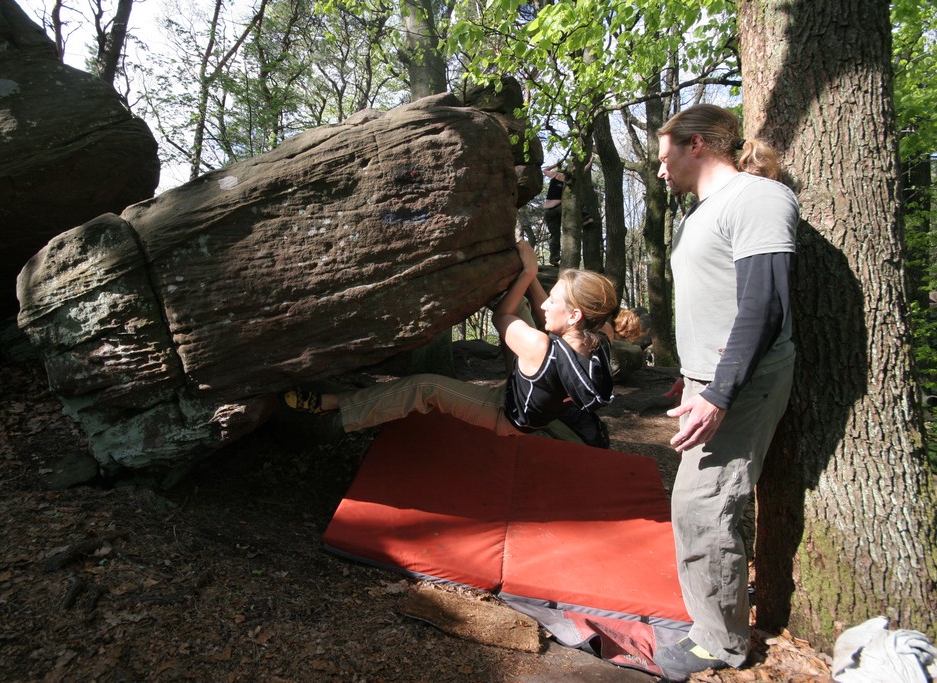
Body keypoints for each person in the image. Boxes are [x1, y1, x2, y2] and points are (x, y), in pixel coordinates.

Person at [652, 104, 799, 681]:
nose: (661, 172)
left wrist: (718, 394)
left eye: (665, 158)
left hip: (742, 382)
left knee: (704, 505)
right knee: (699, 502)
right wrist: (692, 376)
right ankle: (715, 624)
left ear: (696, 146)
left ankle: (721, 642)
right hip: (709, 377)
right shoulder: (702, 212)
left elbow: (764, 306)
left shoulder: (757, 199)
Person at [284, 240, 642, 449]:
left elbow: (502, 317)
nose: (546, 302)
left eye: (555, 299)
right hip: (539, 394)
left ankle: (337, 409)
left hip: (507, 414)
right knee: (526, 307)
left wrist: (529, 274)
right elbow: (542, 312)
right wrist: (532, 282)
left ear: (576, 315)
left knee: (425, 386)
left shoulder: (537, 345)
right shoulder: (601, 338)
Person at [541, 164, 566, 266]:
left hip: (548, 210)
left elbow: (545, 170)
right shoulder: (567, 178)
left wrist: (557, 163)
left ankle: (554, 258)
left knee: (555, 235)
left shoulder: (554, 175)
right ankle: (585, 216)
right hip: (558, 207)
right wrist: (590, 162)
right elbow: (583, 171)